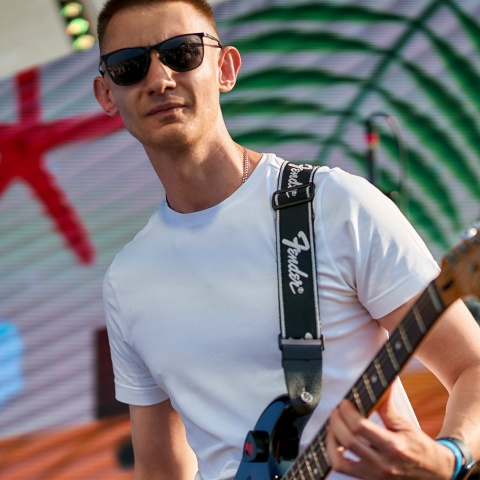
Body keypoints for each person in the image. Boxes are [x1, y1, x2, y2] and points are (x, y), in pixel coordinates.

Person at [93, 0, 480, 479]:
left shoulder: (335, 205)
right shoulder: (127, 281)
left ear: (225, 69)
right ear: (107, 93)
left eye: (182, 53)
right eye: (129, 66)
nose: (159, 79)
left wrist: (449, 456)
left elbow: (471, 365)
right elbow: (160, 468)